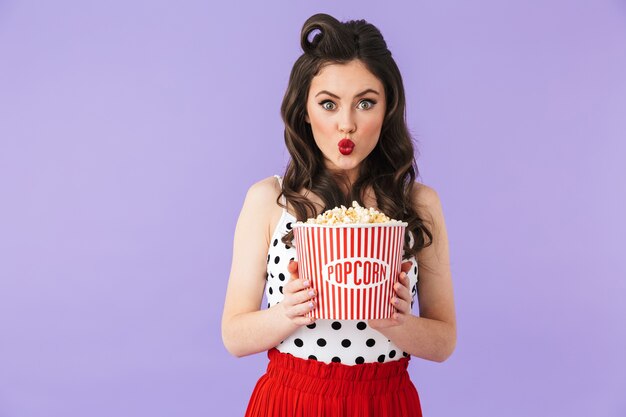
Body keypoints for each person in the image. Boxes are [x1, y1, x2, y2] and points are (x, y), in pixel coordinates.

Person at [221, 12, 456, 417]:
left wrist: (396, 321)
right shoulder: (269, 200)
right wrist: (287, 313)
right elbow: (234, 336)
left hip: (385, 401)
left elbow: (444, 341)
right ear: (305, 111)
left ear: (388, 109)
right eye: (328, 104)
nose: (346, 124)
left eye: (366, 103)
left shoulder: (418, 204)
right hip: (291, 399)